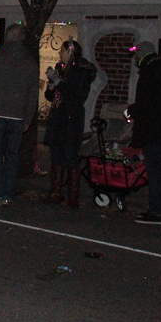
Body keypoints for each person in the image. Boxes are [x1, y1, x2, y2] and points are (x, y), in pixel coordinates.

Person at [0, 24, 39, 206]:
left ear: (7, 38)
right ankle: (7, 192)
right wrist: (27, 118)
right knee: (12, 156)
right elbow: (33, 93)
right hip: (17, 116)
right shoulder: (30, 62)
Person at [43, 39, 97, 208]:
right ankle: (56, 192)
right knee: (57, 156)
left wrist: (60, 84)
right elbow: (52, 96)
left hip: (71, 120)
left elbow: (77, 96)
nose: (60, 53)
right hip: (58, 119)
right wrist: (52, 86)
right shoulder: (62, 69)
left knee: (71, 157)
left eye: (63, 51)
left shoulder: (81, 72)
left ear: (71, 53)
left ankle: (73, 196)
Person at [128, 41, 161, 224]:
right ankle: (155, 209)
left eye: (137, 55)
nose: (136, 59)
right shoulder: (160, 70)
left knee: (154, 171)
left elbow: (146, 102)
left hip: (154, 131)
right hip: (159, 130)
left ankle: (157, 212)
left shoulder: (150, 73)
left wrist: (132, 110)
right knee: (155, 170)